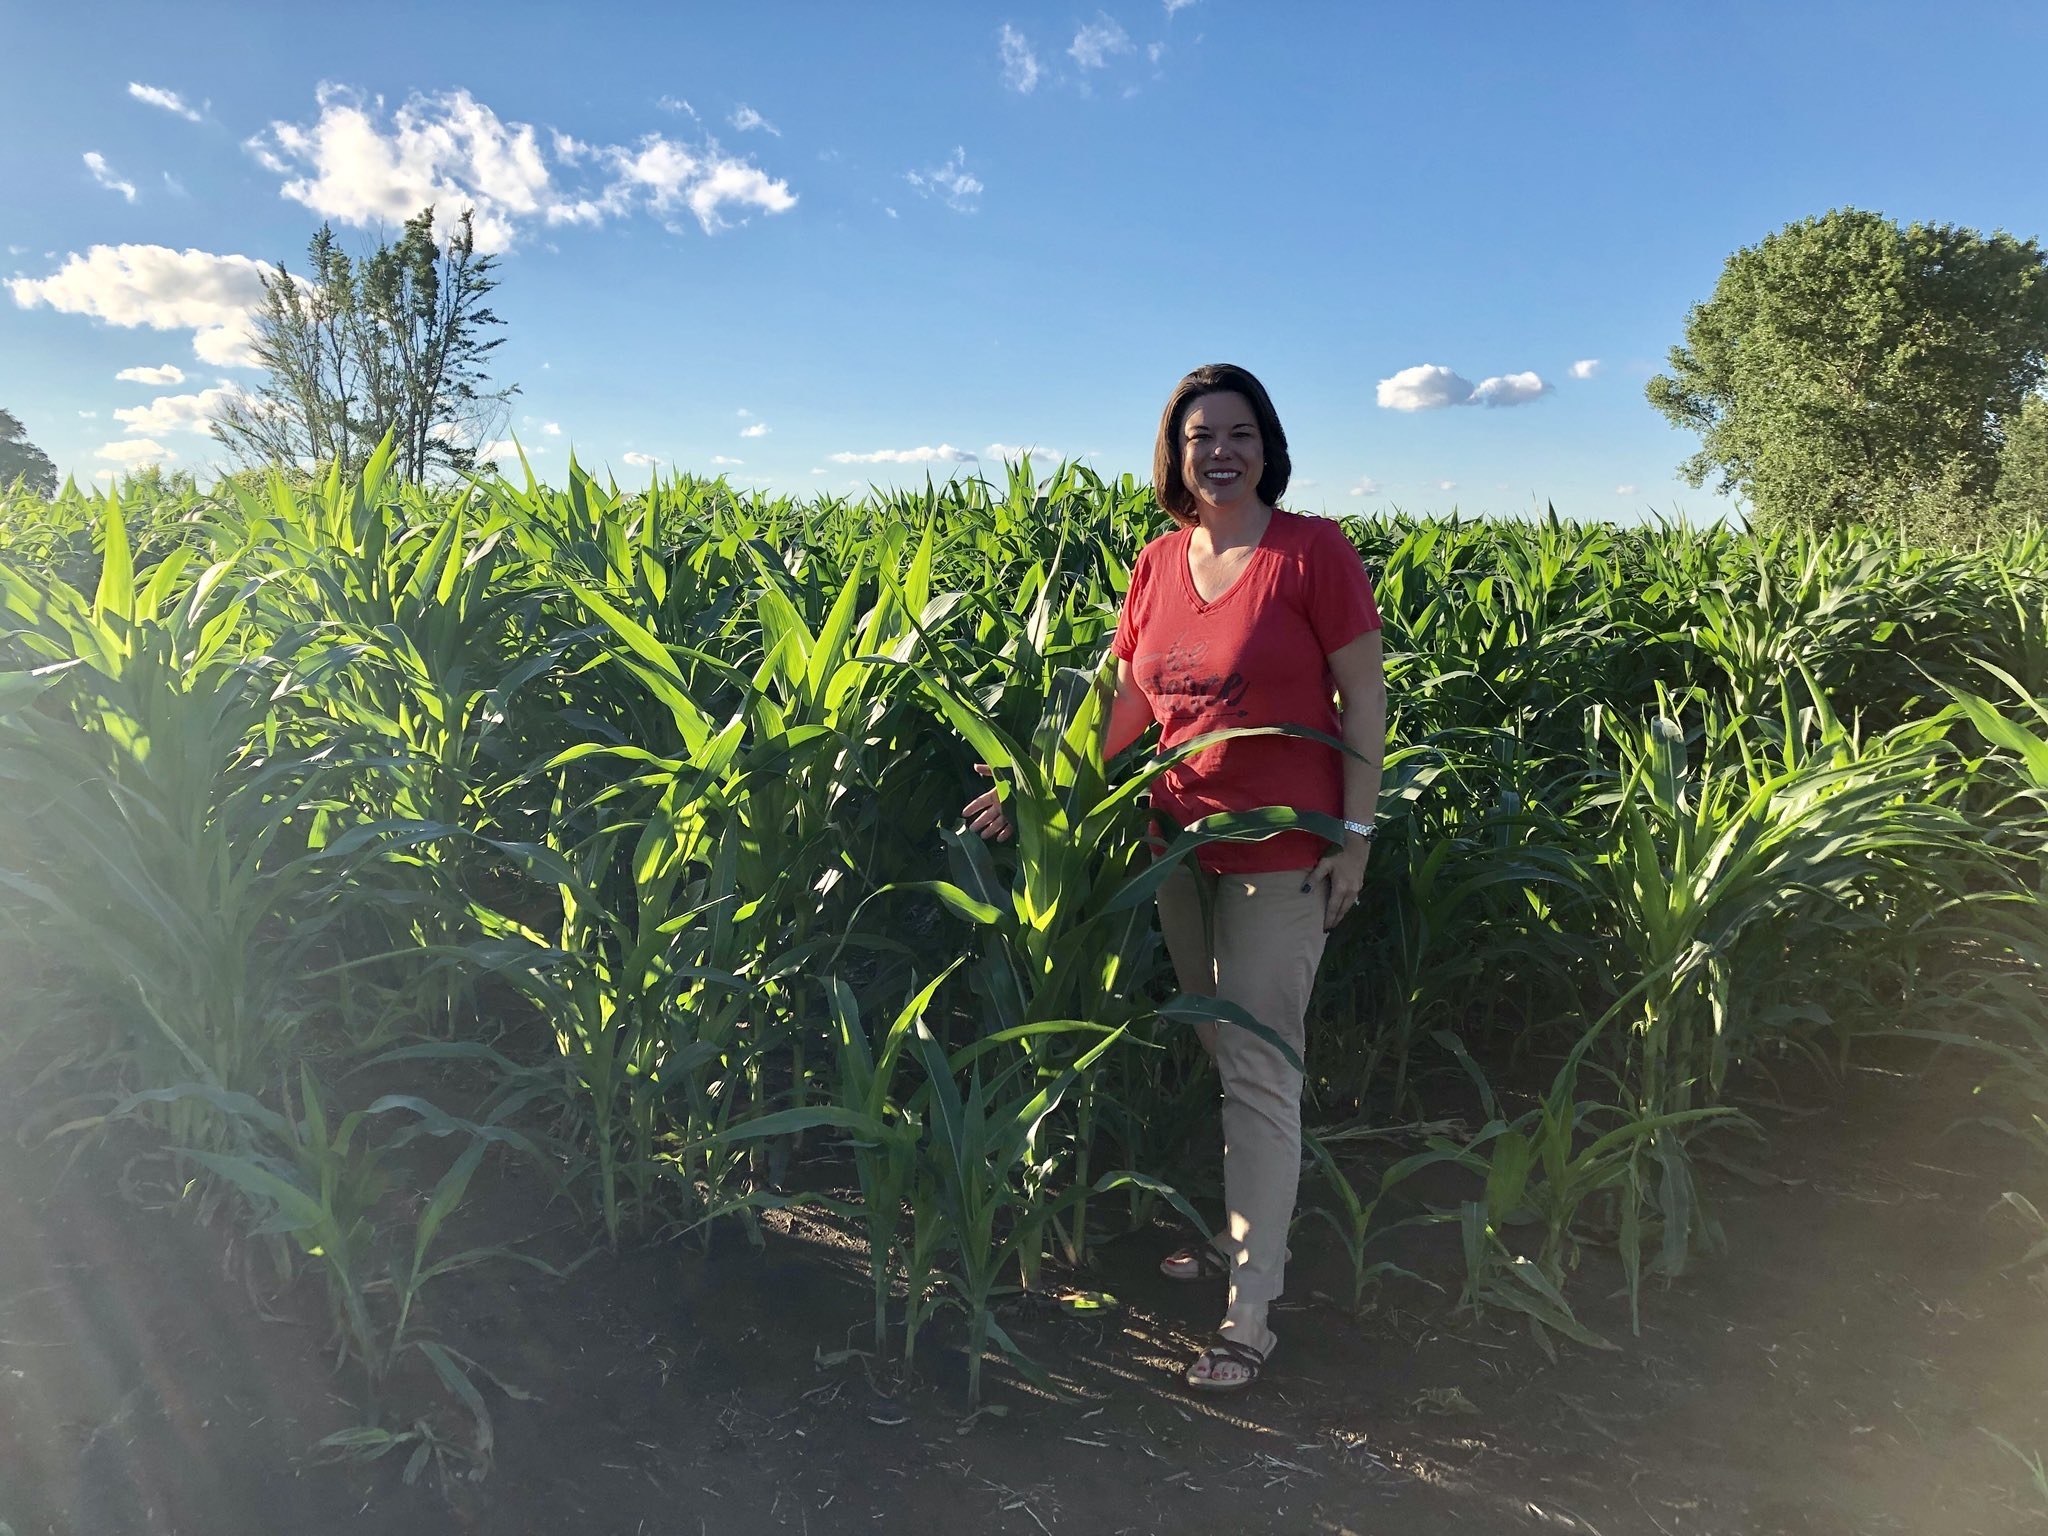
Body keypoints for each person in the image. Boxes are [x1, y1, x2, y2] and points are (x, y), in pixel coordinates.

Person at [963, 363, 1386, 1393]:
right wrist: (1036, 784)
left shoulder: (1310, 552)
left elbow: (1364, 695)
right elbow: (1128, 703)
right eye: (1200, 437)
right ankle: (1245, 1233)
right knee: (1220, 1049)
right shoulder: (1157, 563)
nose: (1220, 452)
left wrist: (1355, 836)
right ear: (1175, 454)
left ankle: (1251, 1313)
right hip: (1179, 851)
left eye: (1239, 433)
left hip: (1283, 854)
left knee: (1259, 1068)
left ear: (1266, 446)